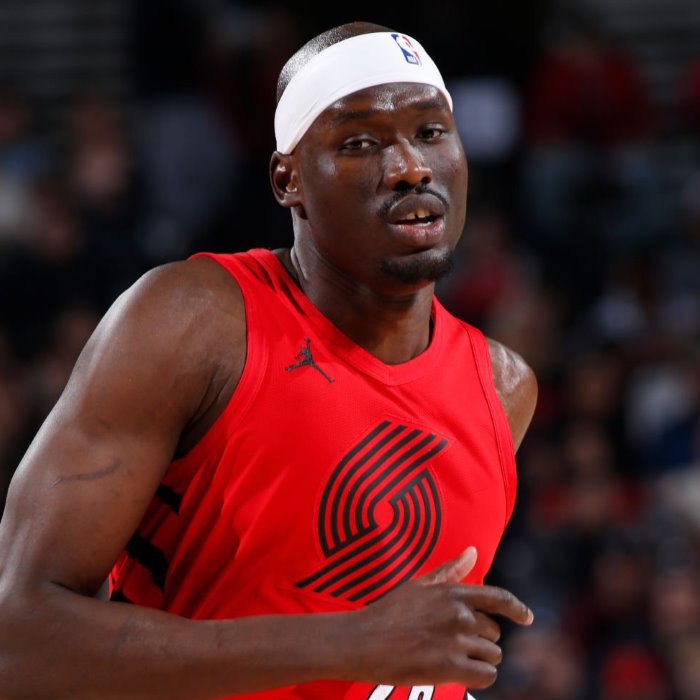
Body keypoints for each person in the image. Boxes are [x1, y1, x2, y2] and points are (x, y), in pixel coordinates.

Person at [0, 21, 537, 700]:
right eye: (360, 142)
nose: (410, 167)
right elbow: (18, 638)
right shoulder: (195, 322)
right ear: (288, 180)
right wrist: (348, 643)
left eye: (431, 132)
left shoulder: (503, 388)